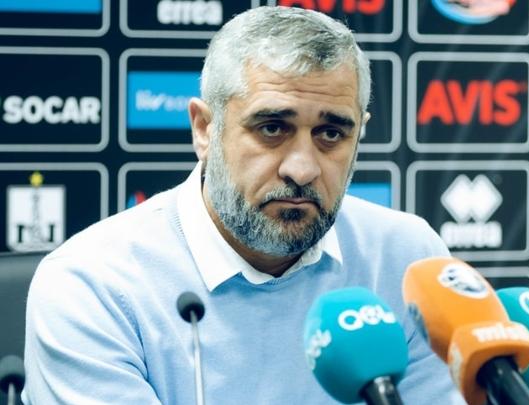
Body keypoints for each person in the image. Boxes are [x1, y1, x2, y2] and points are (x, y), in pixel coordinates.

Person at [22, 6, 463, 404]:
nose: (302, 169)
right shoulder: (92, 285)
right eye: (272, 128)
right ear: (204, 129)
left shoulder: (409, 260)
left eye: (331, 134)